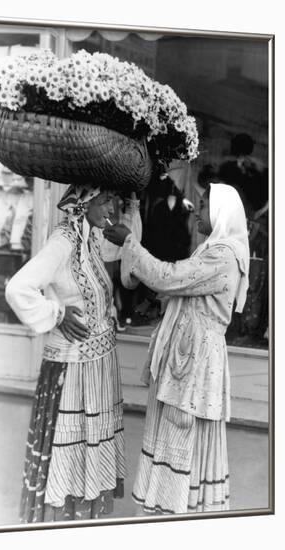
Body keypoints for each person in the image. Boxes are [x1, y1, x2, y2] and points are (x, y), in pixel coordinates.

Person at [103, 183, 250, 514]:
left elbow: (169, 277)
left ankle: (172, 512)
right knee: (183, 437)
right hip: (191, 354)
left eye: (202, 205)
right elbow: (184, 289)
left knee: (180, 432)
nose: (196, 210)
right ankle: (177, 509)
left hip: (193, 361)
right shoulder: (217, 249)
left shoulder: (222, 255)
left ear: (221, 213)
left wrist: (130, 241)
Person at [5, 184, 141, 523]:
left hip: (97, 366)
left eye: (114, 198)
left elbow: (128, 264)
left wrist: (133, 211)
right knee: (70, 451)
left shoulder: (91, 237)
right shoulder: (63, 241)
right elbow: (18, 288)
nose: (112, 206)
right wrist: (57, 313)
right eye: (106, 199)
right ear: (84, 202)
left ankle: (80, 522)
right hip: (74, 369)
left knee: (87, 450)